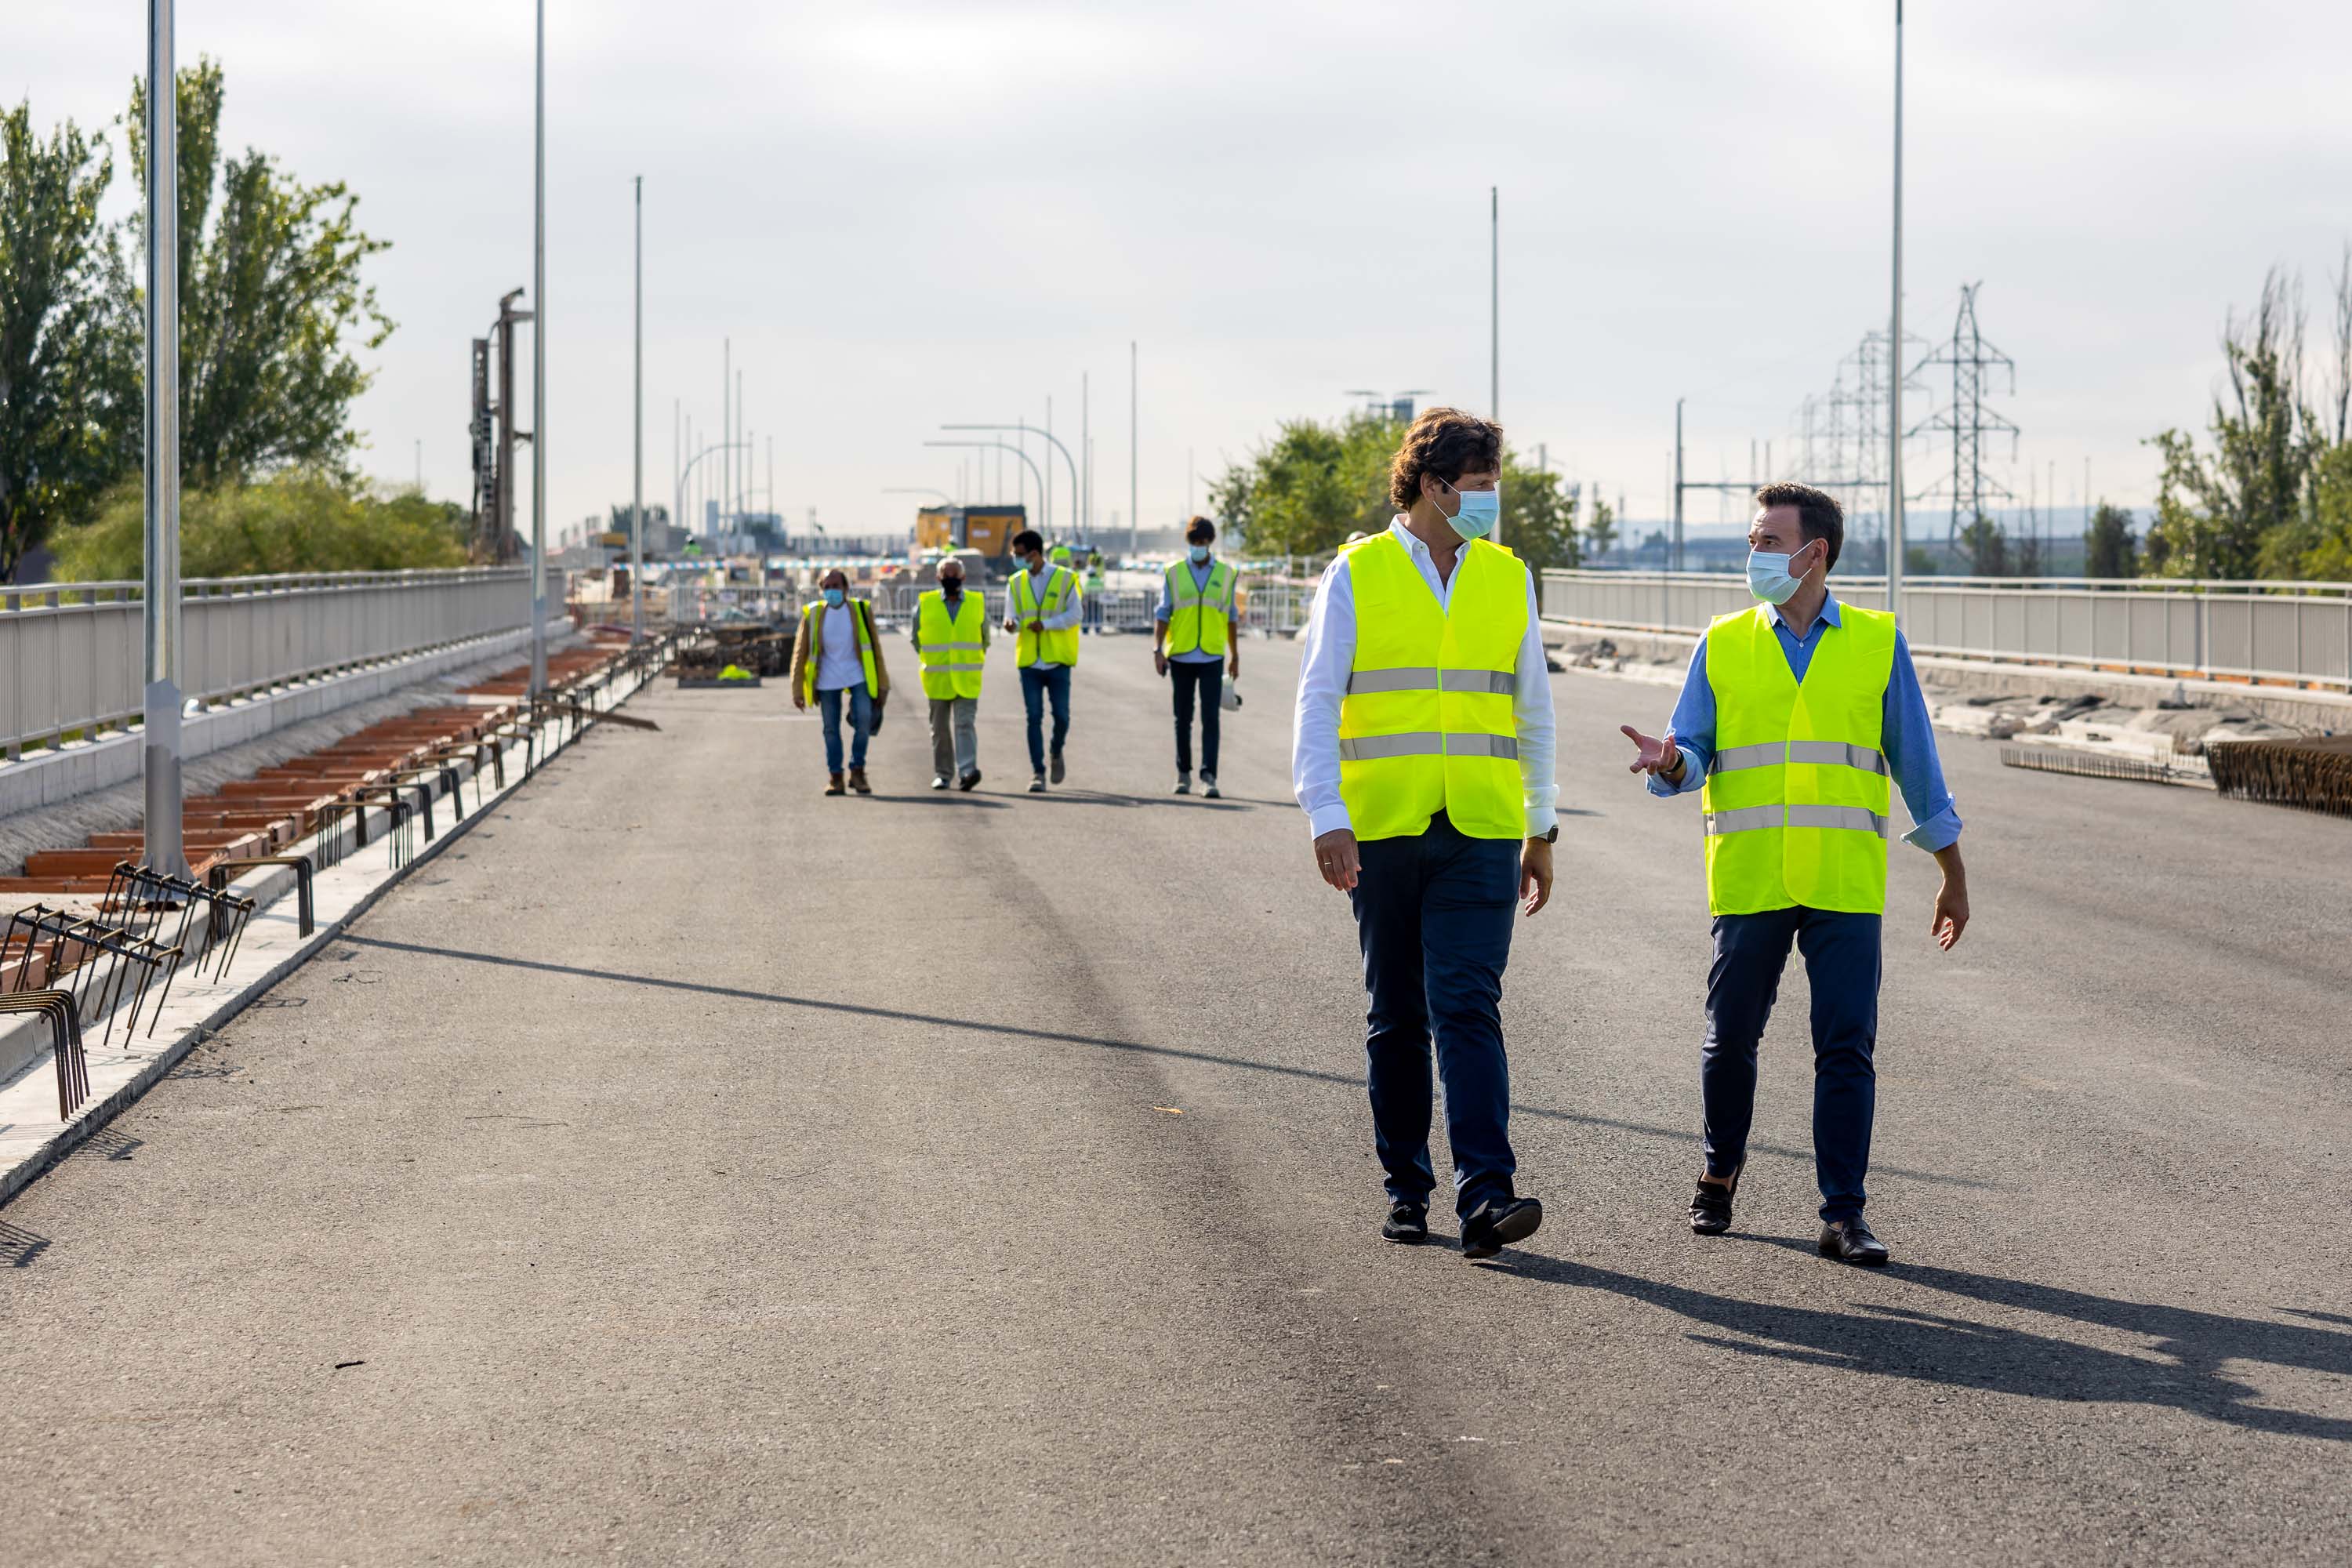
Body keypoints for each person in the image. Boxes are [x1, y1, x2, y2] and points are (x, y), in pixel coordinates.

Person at [1621, 481, 1970, 1267]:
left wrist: (1951, 870)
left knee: (1846, 1047)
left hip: (1844, 880)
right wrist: (1671, 762)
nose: (1754, 554)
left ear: (1815, 553)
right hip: (1751, 876)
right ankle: (1718, 1174)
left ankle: (1844, 1213)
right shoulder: (1724, 641)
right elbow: (1691, 752)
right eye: (1753, 541)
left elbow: (1917, 762)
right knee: (1730, 1040)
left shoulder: (1877, 641)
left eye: (1769, 542)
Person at [1293, 407, 1556, 1260]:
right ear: (1434, 486)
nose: (1490, 499)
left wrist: (1542, 826)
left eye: (1493, 483)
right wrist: (1327, 815)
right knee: (1399, 1016)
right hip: (1383, 828)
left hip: (1481, 827)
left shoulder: (1506, 577)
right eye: (1479, 484)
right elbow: (1317, 699)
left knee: (1469, 1006)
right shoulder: (1357, 571)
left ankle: (1488, 1193)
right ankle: (1407, 1187)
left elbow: (1534, 711)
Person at [1154, 517, 1240, 797]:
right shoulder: (1174, 572)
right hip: (1181, 654)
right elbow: (1162, 613)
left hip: (1212, 655)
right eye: (1194, 542)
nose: (1199, 546)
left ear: (1210, 542)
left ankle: (1208, 776)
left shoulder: (1226, 574)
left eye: (1203, 542)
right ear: (1188, 542)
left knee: (1211, 718)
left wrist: (1235, 655)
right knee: (1183, 718)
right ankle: (1183, 773)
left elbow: (1231, 617)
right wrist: (1158, 650)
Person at [791, 568, 891, 796]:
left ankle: (858, 770)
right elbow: (800, 653)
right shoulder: (813, 613)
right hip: (827, 680)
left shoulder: (861, 610)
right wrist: (797, 689)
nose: (832, 591)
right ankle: (836, 776)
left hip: (858, 676)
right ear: (821, 590)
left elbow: (876, 648)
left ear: (846, 588)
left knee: (864, 720)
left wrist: (883, 683)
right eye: (827, 587)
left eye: (836, 586)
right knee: (831, 729)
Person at [1004, 529, 1082, 793]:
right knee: (1034, 717)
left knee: (1061, 716)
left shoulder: (1065, 578)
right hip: (1029, 661)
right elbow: (1012, 616)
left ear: (1035, 554)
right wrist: (1011, 624)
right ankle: (1038, 771)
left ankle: (1056, 749)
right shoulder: (1015, 582)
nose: (1016, 559)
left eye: (1019, 555)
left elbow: (1076, 614)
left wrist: (1047, 625)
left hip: (1058, 659)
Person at [912, 557, 989, 792]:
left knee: (965, 724)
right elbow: (916, 639)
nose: (951, 578)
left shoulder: (976, 603)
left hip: (967, 678)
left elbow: (984, 638)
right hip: (937, 678)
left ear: (963, 577)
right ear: (938, 578)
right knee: (940, 729)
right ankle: (943, 774)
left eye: (955, 574)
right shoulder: (925, 604)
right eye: (946, 575)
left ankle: (967, 771)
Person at [1082, 550, 1106, 634]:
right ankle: (1098, 629)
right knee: (1097, 614)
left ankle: (1085, 629)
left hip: (1090, 601)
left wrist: (1083, 601)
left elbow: (1085, 592)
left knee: (1088, 615)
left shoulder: (1089, 582)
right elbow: (1103, 591)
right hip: (1098, 601)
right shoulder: (1099, 582)